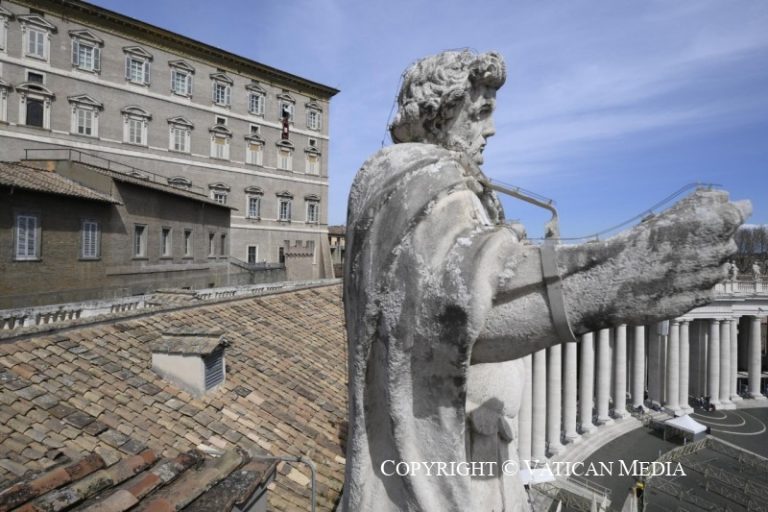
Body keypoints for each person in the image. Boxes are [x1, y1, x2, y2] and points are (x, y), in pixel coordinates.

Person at [342, 50, 749, 511]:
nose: (491, 130)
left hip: (481, 460)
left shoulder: (454, 187)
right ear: (440, 113)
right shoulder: (408, 176)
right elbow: (443, 312)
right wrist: (615, 277)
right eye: (481, 113)